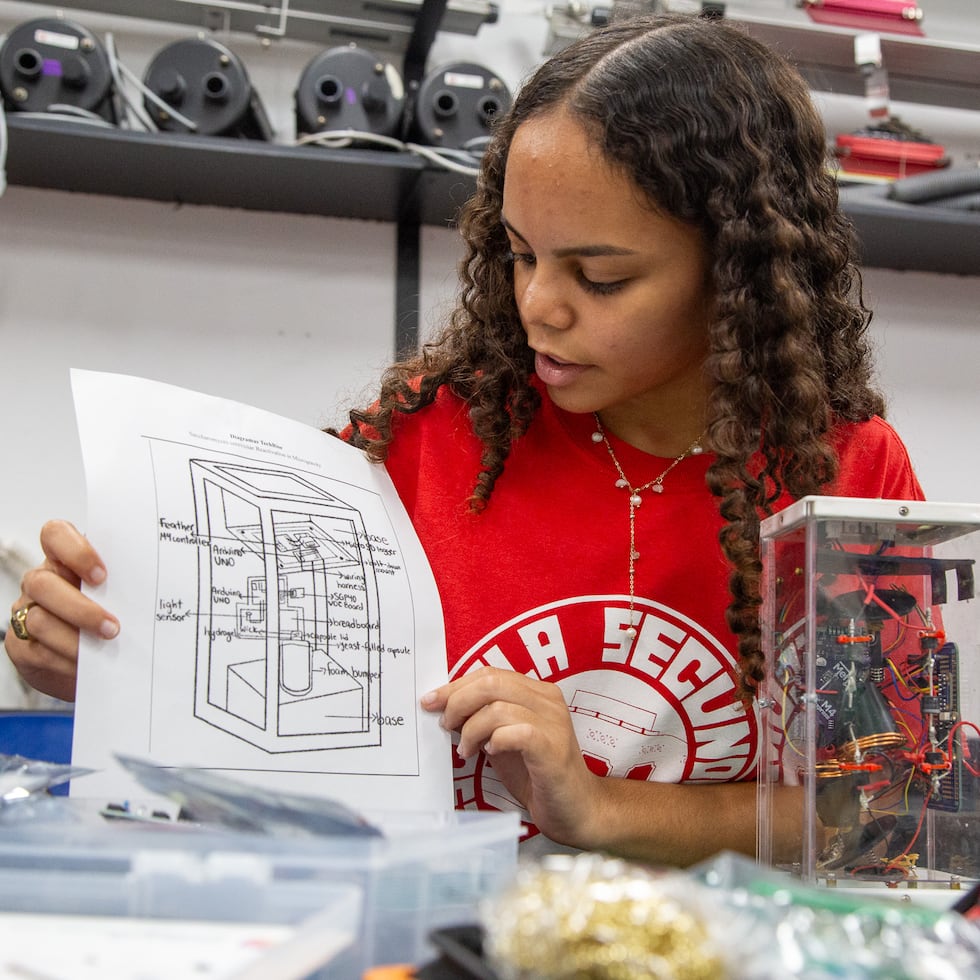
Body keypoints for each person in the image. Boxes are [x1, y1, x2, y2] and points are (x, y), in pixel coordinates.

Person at [5, 13, 923, 865]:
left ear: (739, 273)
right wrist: (113, 661)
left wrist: (601, 806)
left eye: (599, 278)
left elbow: (880, 807)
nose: (537, 307)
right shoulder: (434, 436)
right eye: (521, 253)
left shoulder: (848, 474)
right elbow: (268, 712)